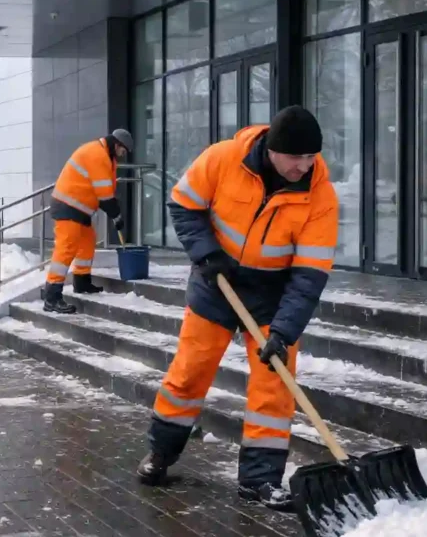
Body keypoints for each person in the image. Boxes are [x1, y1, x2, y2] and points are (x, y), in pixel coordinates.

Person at [135, 105, 338, 511]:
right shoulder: (223, 158)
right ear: (273, 150)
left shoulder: (321, 197)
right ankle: (161, 452)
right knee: (190, 372)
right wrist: (206, 254)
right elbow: (183, 205)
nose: (303, 166)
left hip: (273, 295)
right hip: (217, 281)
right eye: (295, 158)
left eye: (310, 158)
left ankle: (259, 482)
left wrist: (283, 331)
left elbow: (310, 276)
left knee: (274, 385)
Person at [43, 129, 133, 314]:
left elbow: (105, 190)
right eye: (123, 151)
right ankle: (52, 297)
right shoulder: (97, 155)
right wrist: (116, 216)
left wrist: (115, 212)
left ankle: (82, 282)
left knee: (87, 241)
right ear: (117, 145)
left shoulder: (105, 155)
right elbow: (105, 195)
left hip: (79, 207)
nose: (123, 155)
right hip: (68, 205)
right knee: (66, 248)